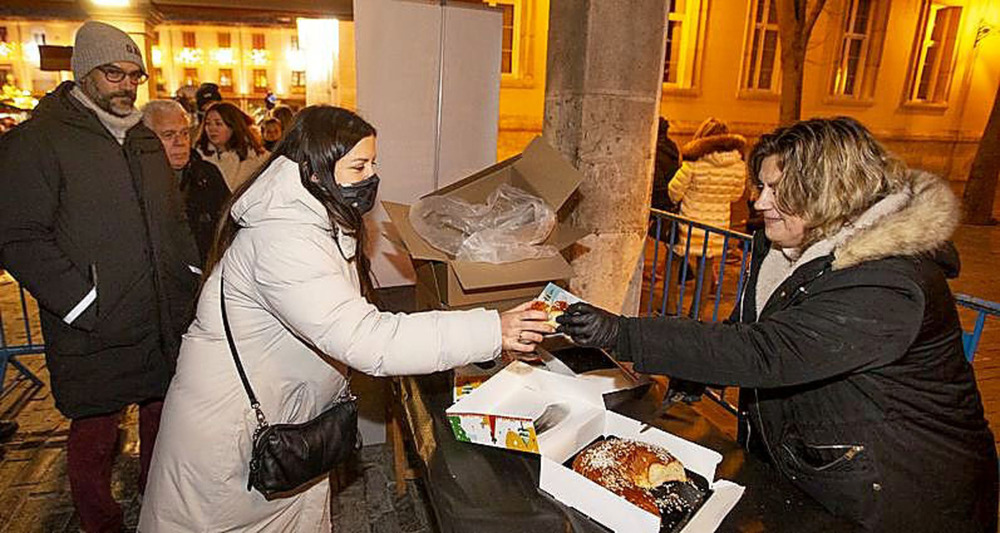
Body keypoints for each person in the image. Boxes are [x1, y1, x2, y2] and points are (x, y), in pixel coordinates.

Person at [556, 117, 999, 532]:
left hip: (900, 495)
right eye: (760, 186)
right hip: (824, 469)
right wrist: (695, 368)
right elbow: (746, 326)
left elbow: (768, 350)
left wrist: (624, 333)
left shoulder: (890, 280)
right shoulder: (790, 249)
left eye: (775, 189)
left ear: (828, 192)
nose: (758, 201)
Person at [138, 106, 553, 532]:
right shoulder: (283, 239)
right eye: (358, 166)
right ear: (314, 170)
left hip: (281, 423)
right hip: (232, 438)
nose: (371, 177)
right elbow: (366, 340)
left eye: (373, 164)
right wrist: (490, 329)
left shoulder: (319, 217)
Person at [0, 21, 200, 533]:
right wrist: (81, 303)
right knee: (95, 430)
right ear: (85, 71)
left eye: (135, 75)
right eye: (114, 73)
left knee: (162, 415)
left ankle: (158, 502)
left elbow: (172, 218)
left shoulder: (142, 139)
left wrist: (189, 275)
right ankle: (100, 522)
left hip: (159, 311)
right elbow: (19, 236)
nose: (126, 85)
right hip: (93, 321)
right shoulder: (38, 140)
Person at [143, 100, 230, 261]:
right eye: (169, 135)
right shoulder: (134, 182)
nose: (180, 142)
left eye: (184, 133)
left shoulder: (208, 174)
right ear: (146, 138)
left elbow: (228, 230)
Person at [196, 102, 269, 192]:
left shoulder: (257, 159)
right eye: (208, 123)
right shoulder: (198, 158)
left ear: (233, 126)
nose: (212, 128)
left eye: (218, 124)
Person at [650, 117, 681, 213]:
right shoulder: (671, 146)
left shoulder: (653, 148)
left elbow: (657, 180)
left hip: (657, 201)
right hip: (670, 198)